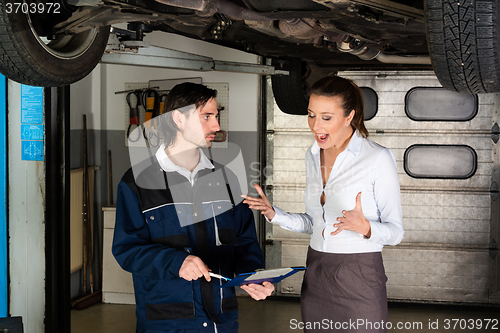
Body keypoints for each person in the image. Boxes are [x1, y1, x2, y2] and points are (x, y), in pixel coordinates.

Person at [243, 76, 403, 332]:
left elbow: (396, 232)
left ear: (350, 116)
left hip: (359, 274)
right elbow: (315, 223)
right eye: (311, 115)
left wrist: (366, 228)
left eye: (326, 118)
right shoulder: (312, 154)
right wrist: (275, 214)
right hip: (316, 271)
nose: (316, 126)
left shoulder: (377, 158)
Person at [112, 82, 274, 333]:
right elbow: (127, 250)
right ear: (178, 119)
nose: (217, 126)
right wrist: (176, 262)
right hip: (167, 323)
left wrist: (254, 276)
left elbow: (244, 243)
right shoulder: (137, 183)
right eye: (206, 117)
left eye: (216, 116)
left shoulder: (228, 180)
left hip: (220, 321)